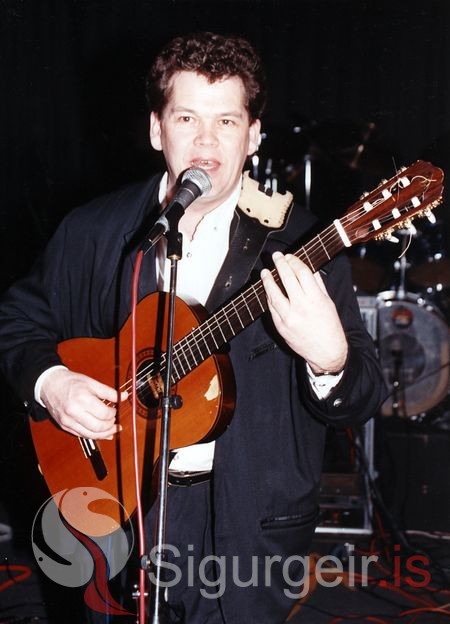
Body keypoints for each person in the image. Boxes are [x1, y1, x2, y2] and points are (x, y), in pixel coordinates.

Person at [0, 32, 385, 623]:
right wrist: (52, 383)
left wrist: (330, 361)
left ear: (253, 136)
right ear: (158, 130)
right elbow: (17, 319)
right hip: (114, 509)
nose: (206, 142)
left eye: (226, 121)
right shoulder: (93, 230)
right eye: (187, 118)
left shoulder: (303, 246)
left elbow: (362, 396)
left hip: (246, 530)